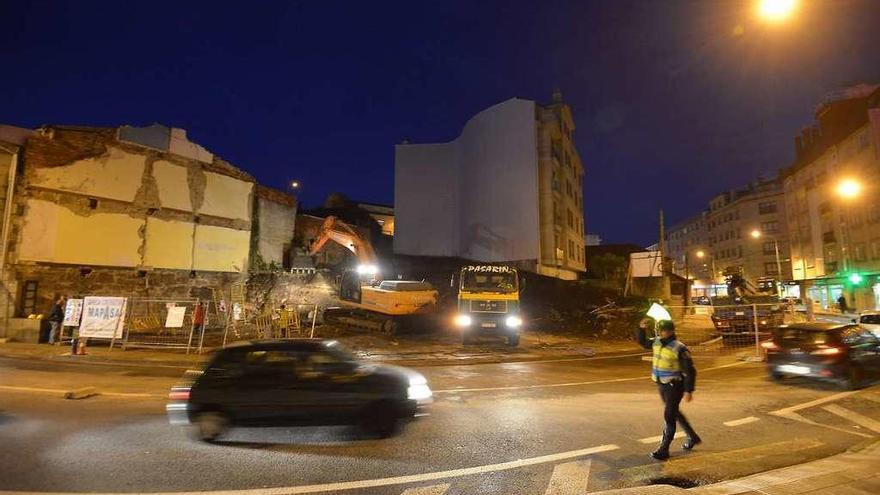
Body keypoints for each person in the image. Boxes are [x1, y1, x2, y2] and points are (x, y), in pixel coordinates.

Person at [635, 318, 701, 460]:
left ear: (670, 331)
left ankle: (664, 449)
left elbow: (690, 371)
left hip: (674, 386)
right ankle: (693, 437)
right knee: (674, 412)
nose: (660, 333)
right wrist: (641, 329)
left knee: (669, 416)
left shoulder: (679, 347)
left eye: (662, 330)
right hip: (661, 384)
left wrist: (689, 390)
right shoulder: (657, 342)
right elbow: (643, 343)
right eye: (659, 330)